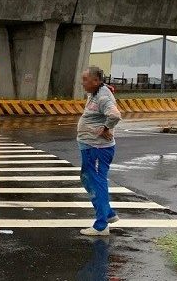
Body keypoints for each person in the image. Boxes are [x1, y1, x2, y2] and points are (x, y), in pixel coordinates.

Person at [78, 66, 122, 236]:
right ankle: (108, 212)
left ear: (95, 81)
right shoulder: (96, 93)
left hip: (97, 148)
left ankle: (101, 225)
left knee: (97, 181)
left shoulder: (103, 97)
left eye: (85, 80)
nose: (82, 83)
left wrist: (106, 128)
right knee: (88, 179)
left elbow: (115, 115)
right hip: (90, 147)